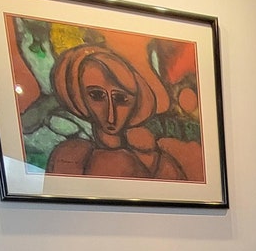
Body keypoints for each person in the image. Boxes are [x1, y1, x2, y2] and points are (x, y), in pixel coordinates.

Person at [46, 45, 188, 180]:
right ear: (79, 96)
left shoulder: (158, 162)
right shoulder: (69, 155)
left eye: (121, 98)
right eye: (96, 95)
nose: (111, 115)